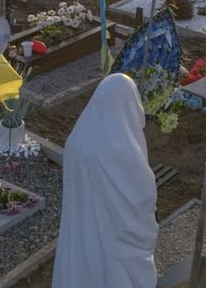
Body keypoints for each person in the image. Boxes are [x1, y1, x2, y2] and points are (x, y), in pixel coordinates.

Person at [52, 74, 157, 288]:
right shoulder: (123, 151)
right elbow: (141, 199)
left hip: (80, 227)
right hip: (114, 240)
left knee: (82, 269)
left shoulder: (77, 139)